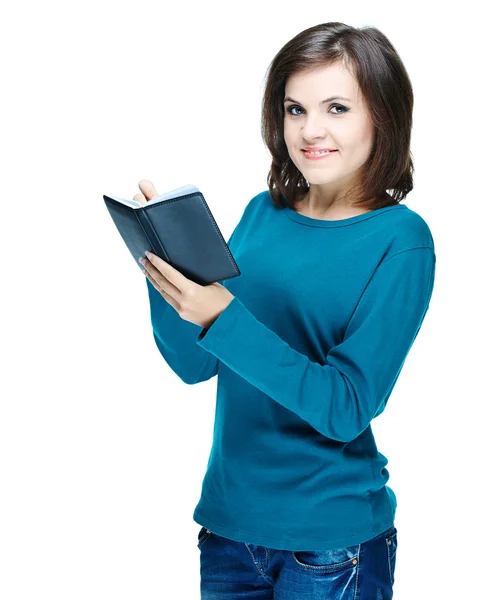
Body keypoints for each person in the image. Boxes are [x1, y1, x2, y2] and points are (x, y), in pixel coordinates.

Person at [137, 21, 436, 600]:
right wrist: (164, 271)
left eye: (336, 108)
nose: (310, 130)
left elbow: (347, 405)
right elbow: (195, 366)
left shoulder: (401, 240)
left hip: (332, 544)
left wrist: (222, 318)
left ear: (384, 116)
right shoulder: (261, 212)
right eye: (294, 109)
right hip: (228, 529)